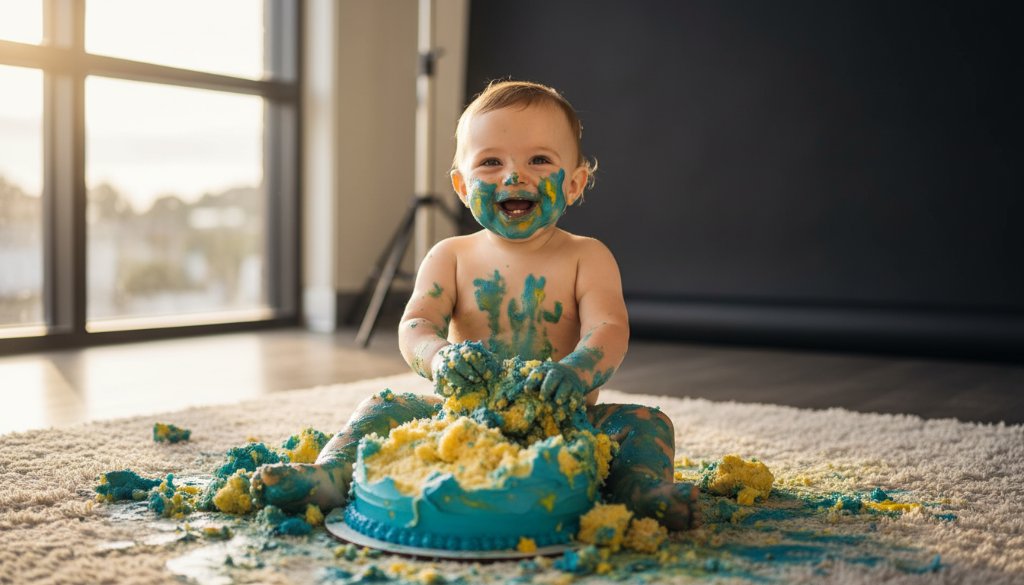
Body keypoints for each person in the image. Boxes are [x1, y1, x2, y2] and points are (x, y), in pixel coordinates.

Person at [255, 80, 700, 530]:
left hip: (569, 422)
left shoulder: (588, 256)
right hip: (461, 422)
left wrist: (575, 371)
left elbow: (610, 329)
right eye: (491, 162)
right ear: (462, 186)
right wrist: (438, 356)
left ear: (574, 183)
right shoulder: (450, 256)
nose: (514, 176)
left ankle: (638, 488)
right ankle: (332, 473)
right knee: (380, 407)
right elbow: (416, 324)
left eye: (539, 160)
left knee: (647, 423)